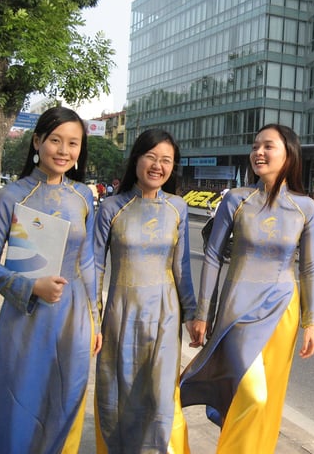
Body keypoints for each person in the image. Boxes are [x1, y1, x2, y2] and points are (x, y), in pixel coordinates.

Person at [0, 106, 102, 454]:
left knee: (66, 398)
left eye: (73, 143)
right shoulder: (11, 196)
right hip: (26, 317)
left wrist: (96, 321)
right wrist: (30, 287)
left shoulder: (83, 197)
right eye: (55, 141)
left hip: (74, 318)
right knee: (20, 399)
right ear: (37, 142)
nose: (64, 151)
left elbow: (89, 260)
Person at [180, 123, 314, 453]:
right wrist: (203, 313)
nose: (259, 152)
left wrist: (310, 321)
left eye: (268, 146)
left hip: (283, 311)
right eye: (256, 146)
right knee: (252, 393)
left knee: (269, 398)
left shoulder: (306, 207)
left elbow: (310, 266)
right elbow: (213, 255)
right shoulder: (237, 200)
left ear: (289, 154)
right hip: (237, 312)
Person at [94, 129, 197, 453]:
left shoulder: (177, 207)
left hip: (166, 315)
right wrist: (92, 318)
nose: (158, 165)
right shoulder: (112, 207)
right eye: (151, 157)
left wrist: (193, 314)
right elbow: (94, 266)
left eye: (166, 160)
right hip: (120, 314)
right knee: (119, 394)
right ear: (136, 159)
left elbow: (182, 267)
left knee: (161, 396)